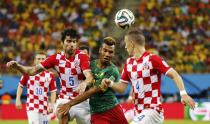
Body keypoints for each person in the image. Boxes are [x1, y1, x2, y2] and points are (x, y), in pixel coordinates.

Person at [101, 28, 195, 124]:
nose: (125, 47)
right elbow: (122, 88)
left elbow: (175, 74)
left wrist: (183, 94)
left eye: (126, 43)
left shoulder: (152, 59)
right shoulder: (128, 63)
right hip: (138, 112)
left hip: (153, 111)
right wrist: (110, 83)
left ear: (132, 43)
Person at [7, 28, 93, 124]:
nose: (72, 44)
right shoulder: (55, 58)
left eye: (74, 41)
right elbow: (32, 71)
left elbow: (89, 75)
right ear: (62, 43)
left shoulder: (82, 56)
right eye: (68, 41)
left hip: (81, 101)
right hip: (65, 98)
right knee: (62, 113)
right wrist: (17, 66)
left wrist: (85, 83)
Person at [58, 37, 128, 124]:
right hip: (97, 113)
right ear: (100, 50)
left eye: (110, 52)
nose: (107, 54)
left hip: (113, 109)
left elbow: (94, 90)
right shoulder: (90, 65)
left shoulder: (112, 71)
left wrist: (69, 104)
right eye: (105, 50)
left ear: (113, 54)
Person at [15, 51, 57, 124]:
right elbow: (20, 86)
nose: (40, 60)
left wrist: (52, 105)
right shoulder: (28, 72)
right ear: (34, 60)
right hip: (32, 106)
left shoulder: (50, 75)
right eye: (38, 58)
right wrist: (18, 99)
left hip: (44, 107)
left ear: (46, 60)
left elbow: (53, 91)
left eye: (42, 59)